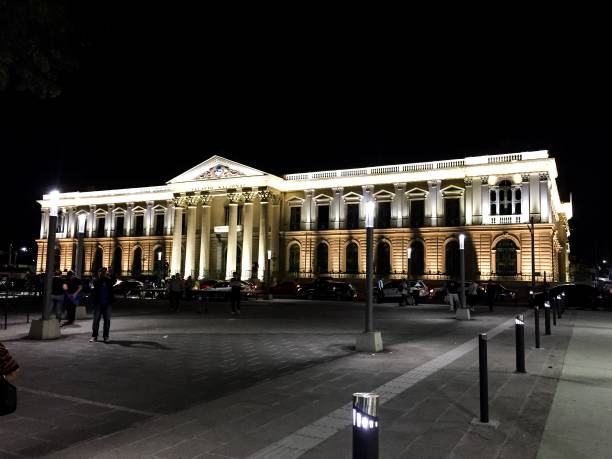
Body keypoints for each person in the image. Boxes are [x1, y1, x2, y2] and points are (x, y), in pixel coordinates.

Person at [90, 267, 114, 343]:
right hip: (98, 304)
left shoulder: (109, 281)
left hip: (107, 304)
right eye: (101, 272)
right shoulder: (96, 281)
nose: (102, 274)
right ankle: (94, 336)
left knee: (107, 321)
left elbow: (114, 281)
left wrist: (110, 274)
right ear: (98, 273)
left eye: (104, 272)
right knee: (96, 320)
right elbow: (93, 286)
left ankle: (106, 336)